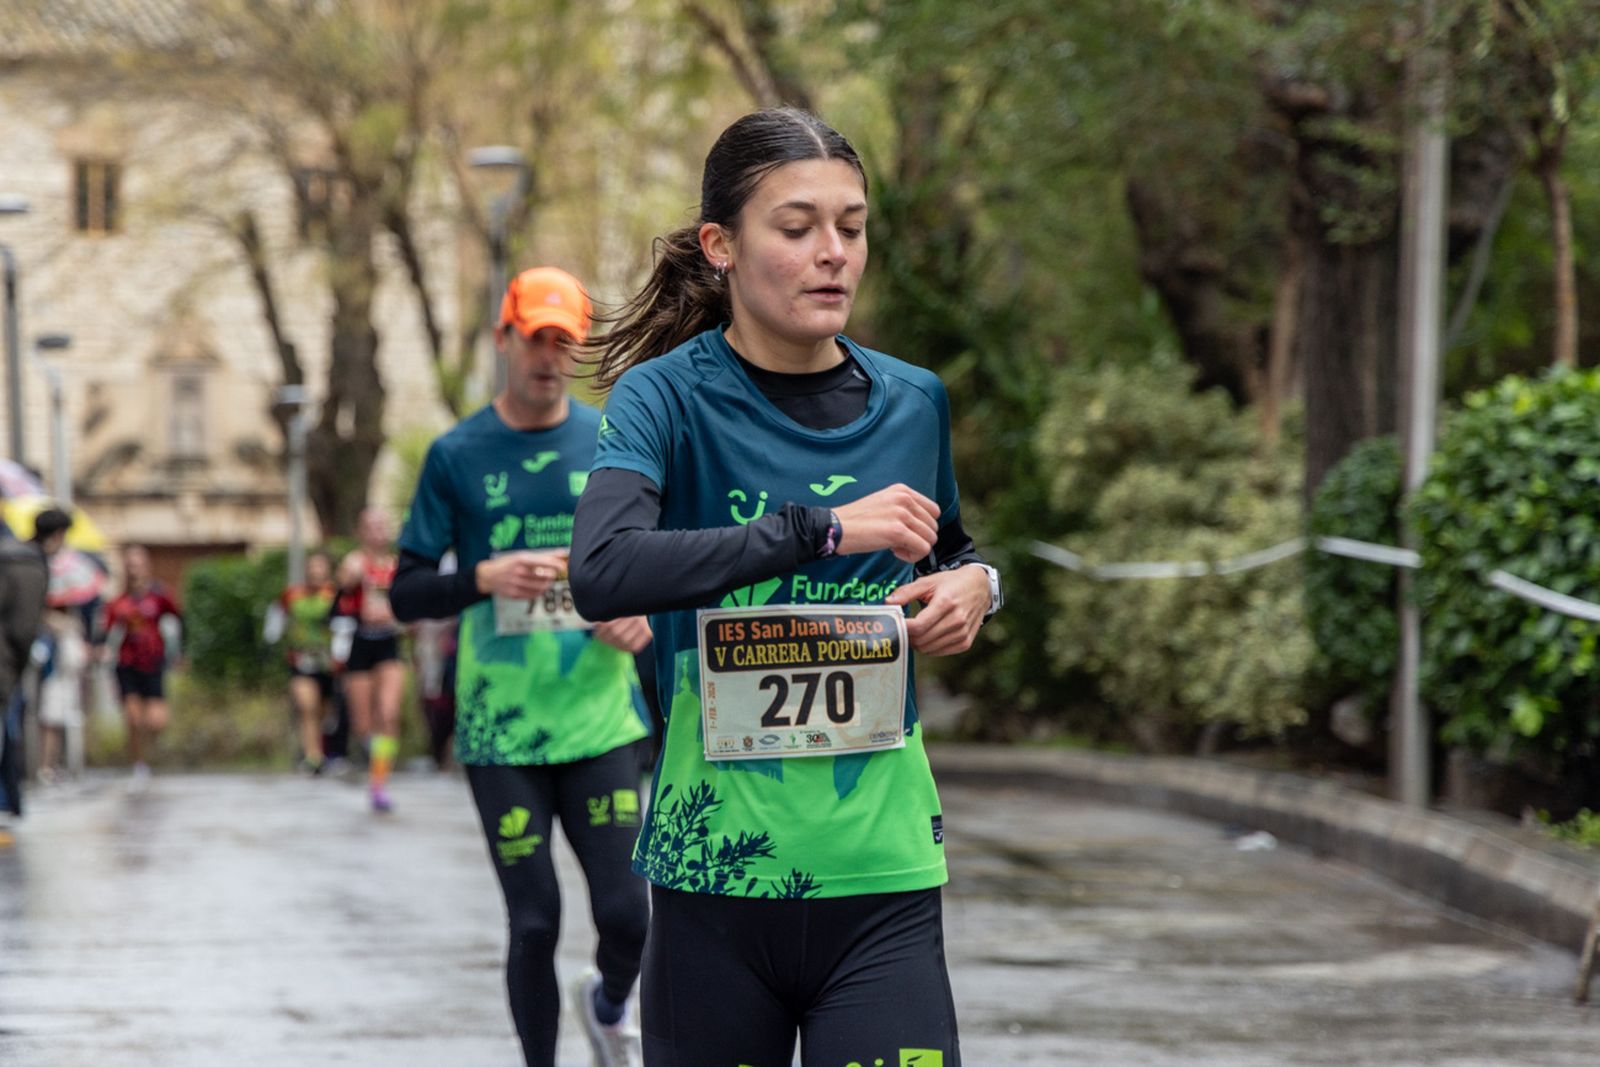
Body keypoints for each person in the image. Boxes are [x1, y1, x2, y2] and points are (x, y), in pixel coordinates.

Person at [568, 108, 1002, 1067]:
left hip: (881, 873)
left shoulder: (914, 399)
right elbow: (602, 571)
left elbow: (955, 550)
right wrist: (818, 530)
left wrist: (978, 585)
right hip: (713, 878)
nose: (832, 253)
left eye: (850, 227)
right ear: (722, 245)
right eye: (797, 227)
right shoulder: (664, 398)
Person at [390, 266, 653, 1067]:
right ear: (504, 339)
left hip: (600, 714)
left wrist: (643, 614)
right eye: (536, 339)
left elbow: (663, 564)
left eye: (565, 342)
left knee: (628, 914)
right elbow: (405, 592)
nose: (550, 356)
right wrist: (481, 576)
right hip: (500, 725)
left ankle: (608, 1008)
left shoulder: (612, 439)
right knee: (534, 917)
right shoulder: (458, 454)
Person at [0, 508, 71, 826]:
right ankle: (6, 803)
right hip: (4, 662)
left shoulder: (8, 553)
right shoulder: (30, 565)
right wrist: (24, 658)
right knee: (6, 730)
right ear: (56, 537)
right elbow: (23, 628)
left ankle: (9, 802)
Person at [337, 507, 406, 811]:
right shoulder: (354, 562)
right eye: (371, 526)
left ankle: (379, 784)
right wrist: (350, 579)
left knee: (388, 714)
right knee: (363, 724)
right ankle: (372, 757)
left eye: (382, 525)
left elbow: (412, 607)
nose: (378, 530)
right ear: (362, 531)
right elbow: (339, 592)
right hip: (361, 642)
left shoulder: (398, 565)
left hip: (389, 642)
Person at [100, 544, 182, 780]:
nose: (134, 570)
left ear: (147, 566)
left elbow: (179, 620)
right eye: (130, 565)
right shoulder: (119, 602)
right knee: (133, 718)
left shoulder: (160, 596)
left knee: (156, 721)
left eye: (137, 565)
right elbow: (106, 631)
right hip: (127, 663)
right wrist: (101, 648)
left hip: (154, 661)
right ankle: (138, 762)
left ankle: (149, 752)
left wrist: (178, 652)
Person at [264, 550, 338, 774]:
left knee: (326, 713)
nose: (315, 571)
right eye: (312, 566)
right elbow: (276, 617)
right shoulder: (292, 595)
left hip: (329, 662)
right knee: (307, 707)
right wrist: (270, 640)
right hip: (300, 659)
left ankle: (328, 751)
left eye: (320, 566)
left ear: (327, 570)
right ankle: (312, 757)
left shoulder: (334, 595)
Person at [37, 605, 89, 782]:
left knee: (64, 725)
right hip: (55, 681)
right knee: (51, 724)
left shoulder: (72, 627)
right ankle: (47, 766)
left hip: (69, 682)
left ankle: (60, 764)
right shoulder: (50, 628)